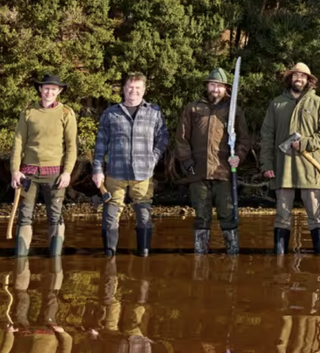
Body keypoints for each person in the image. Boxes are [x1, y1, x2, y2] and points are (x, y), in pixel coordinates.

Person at [261, 63, 320, 255]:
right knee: (282, 216)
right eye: (296, 75)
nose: (299, 79)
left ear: (308, 80)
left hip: (311, 169)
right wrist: (267, 164)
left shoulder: (318, 103)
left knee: (316, 215)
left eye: (303, 76)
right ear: (290, 78)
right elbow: (267, 136)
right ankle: (280, 262)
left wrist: (307, 143)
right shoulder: (276, 104)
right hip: (282, 169)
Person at [175, 68, 251, 255]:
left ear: (226, 88)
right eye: (212, 85)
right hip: (198, 172)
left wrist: (238, 157)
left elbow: (244, 140)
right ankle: (200, 257)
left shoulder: (234, 111)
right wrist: (186, 161)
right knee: (201, 217)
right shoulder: (192, 108)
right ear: (207, 86)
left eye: (219, 86)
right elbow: (181, 138)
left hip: (224, 172)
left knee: (228, 216)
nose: (215, 89)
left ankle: (233, 256)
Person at [92, 72, 168, 257]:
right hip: (115, 173)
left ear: (144, 90)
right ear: (124, 89)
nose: (133, 91)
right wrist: (97, 169)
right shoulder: (110, 113)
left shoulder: (154, 112)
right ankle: (109, 254)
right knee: (110, 215)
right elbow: (100, 143)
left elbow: (163, 138)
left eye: (138, 88)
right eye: (130, 87)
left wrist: (153, 159)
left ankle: (143, 253)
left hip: (143, 174)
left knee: (144, 215)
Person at [9, 74, 77, 258]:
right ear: (40, 89)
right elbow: (18, 143)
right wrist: (15, 170)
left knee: (55, 216)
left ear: (59, 91)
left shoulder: (66, 113)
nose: (49, 92)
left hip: (55, 175)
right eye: (46, 88)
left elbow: (71, 147)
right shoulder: (28, 112)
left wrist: (67, 172)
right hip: (28, 174)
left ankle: (55, 269)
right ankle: (20, 266)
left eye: (53, 89)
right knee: (24, 216)